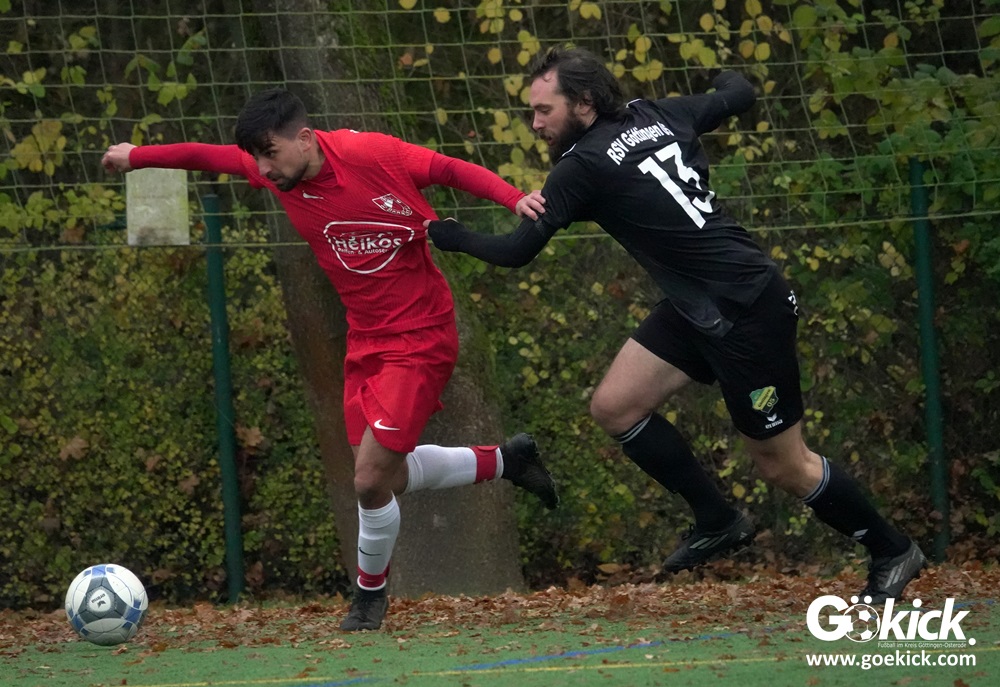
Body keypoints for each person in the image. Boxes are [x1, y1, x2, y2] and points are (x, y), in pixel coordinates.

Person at [425, 47, 925, 604]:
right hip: (697, 306)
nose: (535, 124)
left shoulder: (580, 167)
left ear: (584, 103)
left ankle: (892, 549)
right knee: (615, 406)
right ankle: (717, 518)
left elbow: (516, 252)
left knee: (784, 465)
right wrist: (726, 72)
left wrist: (449, 234)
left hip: (747, 311)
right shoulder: (657, 113)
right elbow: (738, 95)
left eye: (545, 110)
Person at [102, 88, 559, 631]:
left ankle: (369, 597)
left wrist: (514, 198)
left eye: (271, 154)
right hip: (364, 342)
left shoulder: (372, 155)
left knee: (367, 480)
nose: (263, 169)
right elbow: (207, 156)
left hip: (421, 337)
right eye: (257, 158)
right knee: (385, 477)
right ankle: (507, 461)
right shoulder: (277, 172)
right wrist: (137, 156)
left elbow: (447, 169)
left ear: (305, 139)